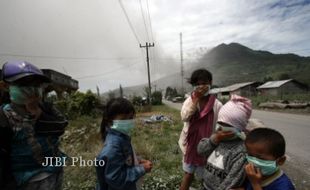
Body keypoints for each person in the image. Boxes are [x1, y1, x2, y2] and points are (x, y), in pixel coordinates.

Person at [0, 60, 68, 190]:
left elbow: (61, 126)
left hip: (55, 172)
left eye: (36, 85)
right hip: (26, 181)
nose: (32, 90)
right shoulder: (4, 117)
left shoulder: (47, 108)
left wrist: (40, 115)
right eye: (24, 84)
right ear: (5, 86)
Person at [178, 68, 222, 190]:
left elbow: (220, 124)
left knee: (207, 176)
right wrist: (196, 100)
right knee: (188, 174)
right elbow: (184, 117)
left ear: (210, 83)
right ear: (193, 86)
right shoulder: (189, 100)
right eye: (197, 84)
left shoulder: (216, 104)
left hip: (208, 145)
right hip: (191, 144)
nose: (201, 86)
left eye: (204, 83)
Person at [96, 98, 152, 190]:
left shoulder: (122, 137)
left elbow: (122, 158)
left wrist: (137, 161)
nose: (128, 121)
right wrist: (142, 169)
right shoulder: (113, 146)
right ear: (110, 121)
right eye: (123, 119)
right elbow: (115, 178)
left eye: (130, 118)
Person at [197, 95, 252, 190]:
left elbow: (231, 182)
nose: (220, 128)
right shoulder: (218, 138)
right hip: (205, 185)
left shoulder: (241, 152)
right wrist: (213, 140)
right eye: (220, 123)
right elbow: (200, 150)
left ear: (238, 128)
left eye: (226, 125)